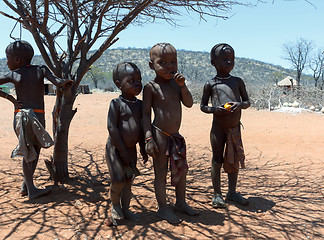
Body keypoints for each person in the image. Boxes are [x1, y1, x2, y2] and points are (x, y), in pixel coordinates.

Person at [0, 40, 72, 200]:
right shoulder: (40, 70)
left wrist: (10, 98)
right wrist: (65, 83)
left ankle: (26, 186)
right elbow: (57, 82)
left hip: (21, 116)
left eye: (7, 57)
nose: (6, 61)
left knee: (30, 151)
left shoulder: (15, 74)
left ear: (18, 60)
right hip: (37, 115)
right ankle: (31, 189)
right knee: (31, 151)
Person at [142, 43, 198, 224]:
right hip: (159, 135)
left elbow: (189, 103)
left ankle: (180, 203)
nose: (169, 66)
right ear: (152, 66)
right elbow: (145, 115)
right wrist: (148, 138)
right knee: (161, 172)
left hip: (176, 136)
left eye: (173, 62)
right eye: (163, 62)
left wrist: (183, 86)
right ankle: (163, 209)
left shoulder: (177, 84)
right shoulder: (150, 87)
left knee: (181, 171)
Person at [200, 43, 250, 208]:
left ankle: (232, 192)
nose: (229, 62)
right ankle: (217, 194)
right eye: (225, 59)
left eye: (232, 59)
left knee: (233, 158)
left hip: (234, 127)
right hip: (217, 128)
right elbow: (203, 107)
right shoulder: (210, 84)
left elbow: (247, 102)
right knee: (217, 159)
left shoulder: (237, 81)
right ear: (213, 62)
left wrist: (239, 105)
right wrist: (215, 110)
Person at [105, 62, 148, 225]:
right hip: (115, 149)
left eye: (139, 80)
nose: (137, 83)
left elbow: (143, 129)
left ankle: (126, 209)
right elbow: (111, 127)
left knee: (129, 180)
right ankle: (115, 205)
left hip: (131, 150)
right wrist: (121, 150)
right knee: (117, 179)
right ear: (118, 84)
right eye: (132, 80)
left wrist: (143, 148)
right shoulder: (116, 104)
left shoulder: (140, 105)